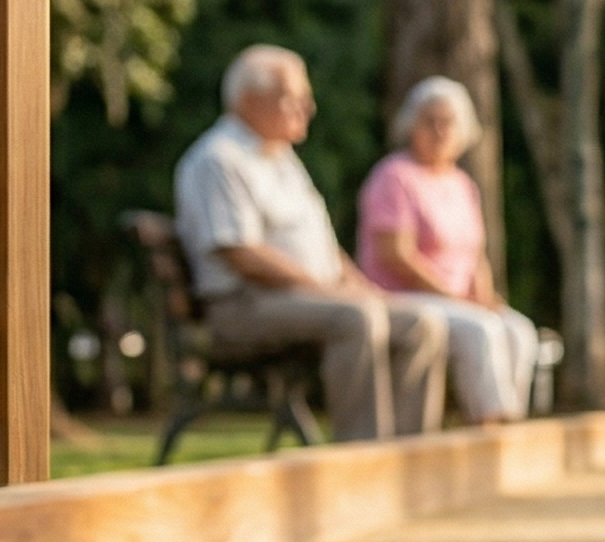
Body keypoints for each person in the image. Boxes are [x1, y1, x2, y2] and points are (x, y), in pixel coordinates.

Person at [174, 45, 446, 442]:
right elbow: (242, 255)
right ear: (249, 102)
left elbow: (322, 246)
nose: (308, 106)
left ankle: (408, 458)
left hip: (304, 297)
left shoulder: (282, 158)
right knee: (358, 318)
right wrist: (327, 291)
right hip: (244, 304)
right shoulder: (218, 159)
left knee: (422, 322)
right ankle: (361, 459)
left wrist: (358, 285)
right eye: (293, 98)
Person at [357, 77, 539, 424]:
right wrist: (455, 296)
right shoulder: (393, 177)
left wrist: (484, 297)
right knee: (481, 330)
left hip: (455, 300)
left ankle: (511, 422)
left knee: (518, 329)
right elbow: (397, 255)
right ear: (411, 125)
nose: (439, 131)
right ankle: (489, 423)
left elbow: (474, 255)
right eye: (430, 121)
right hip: (405, 297)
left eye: (448, 122)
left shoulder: (462, 184)